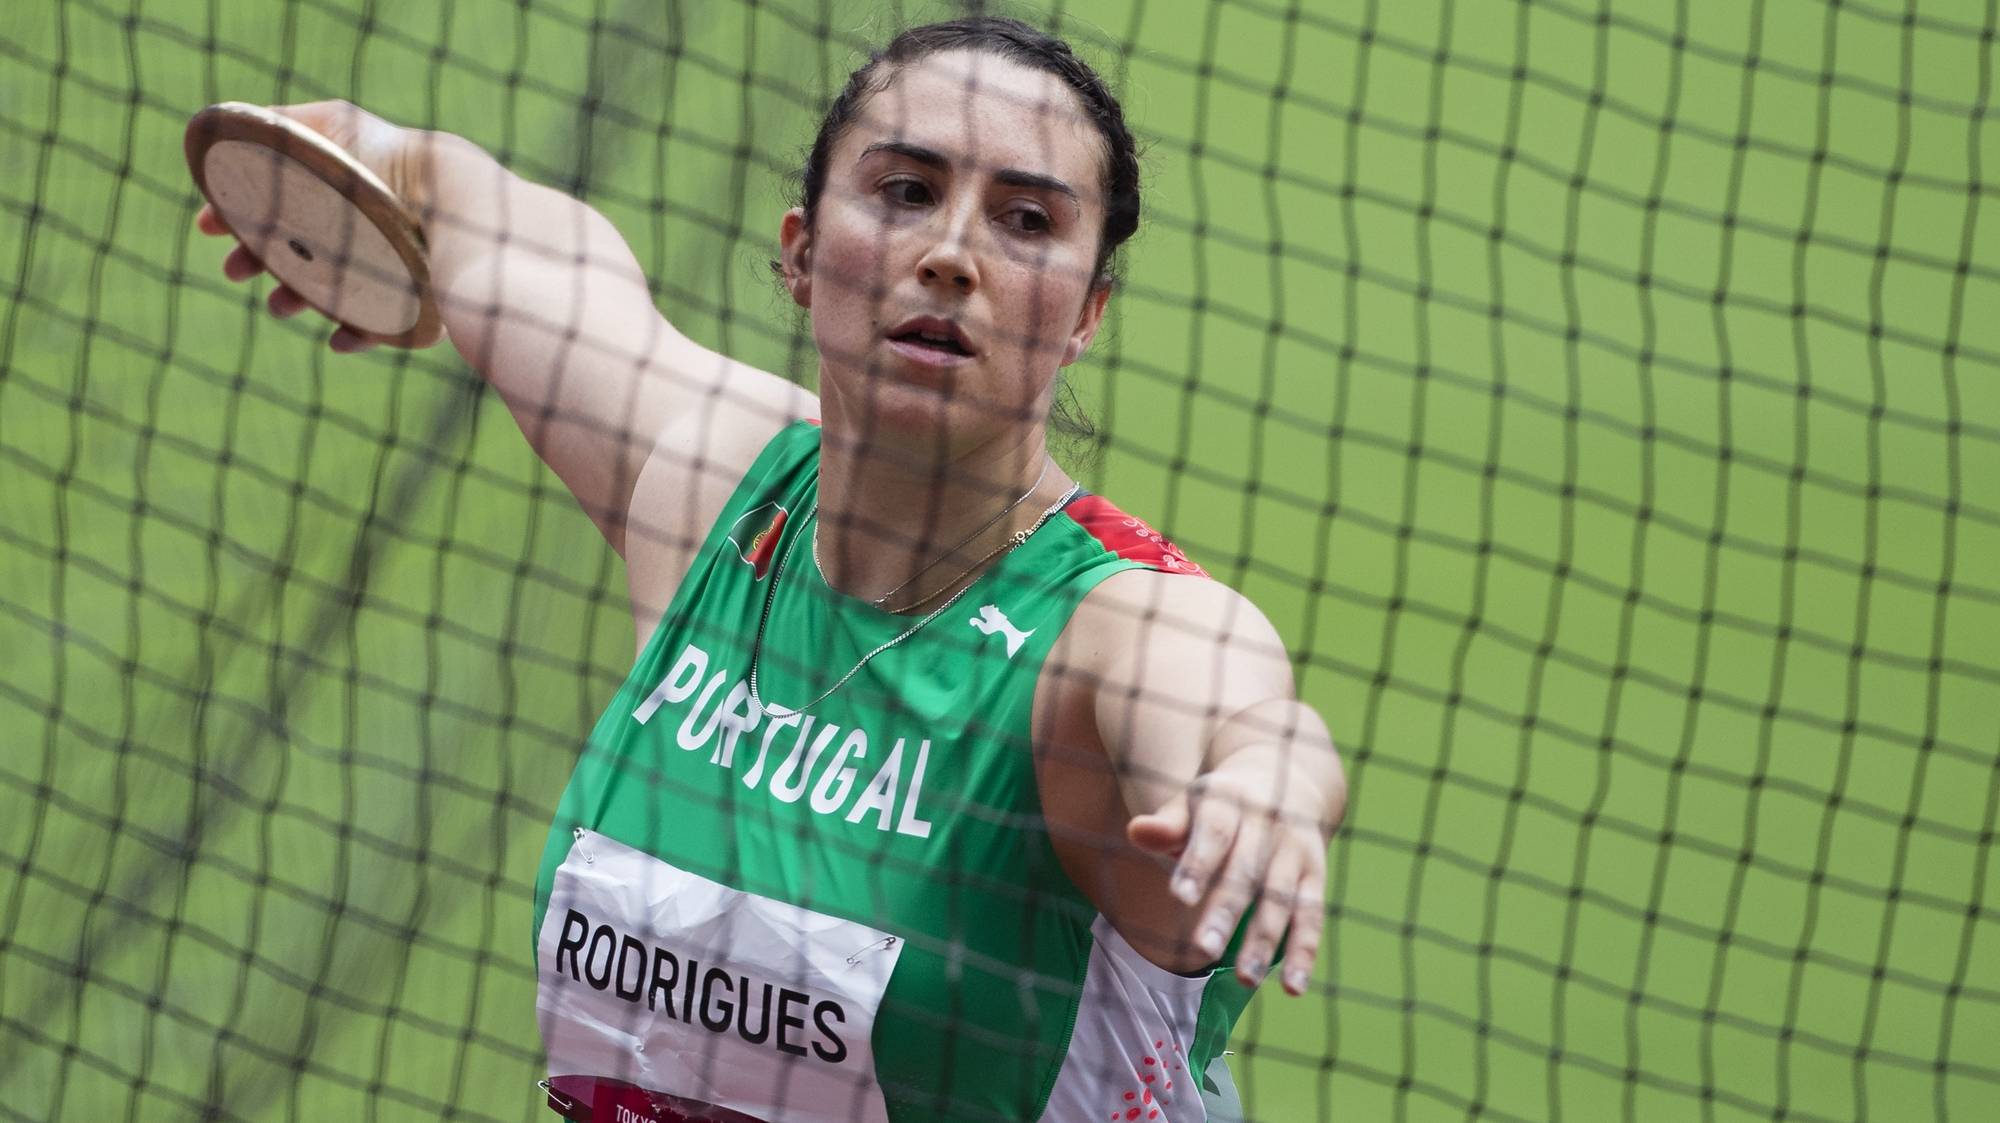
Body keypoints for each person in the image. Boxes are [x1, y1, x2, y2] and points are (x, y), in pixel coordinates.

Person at [195, 16, 1345, 1123]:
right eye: (904, 191)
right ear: (802, 253)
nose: (949, 255)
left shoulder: (1112, 625)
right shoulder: (712, 487)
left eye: (1026, 221)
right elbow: (520, 244)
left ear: (1087, 311)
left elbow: (1236, 708)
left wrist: (1261, 793)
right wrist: (377, 162)